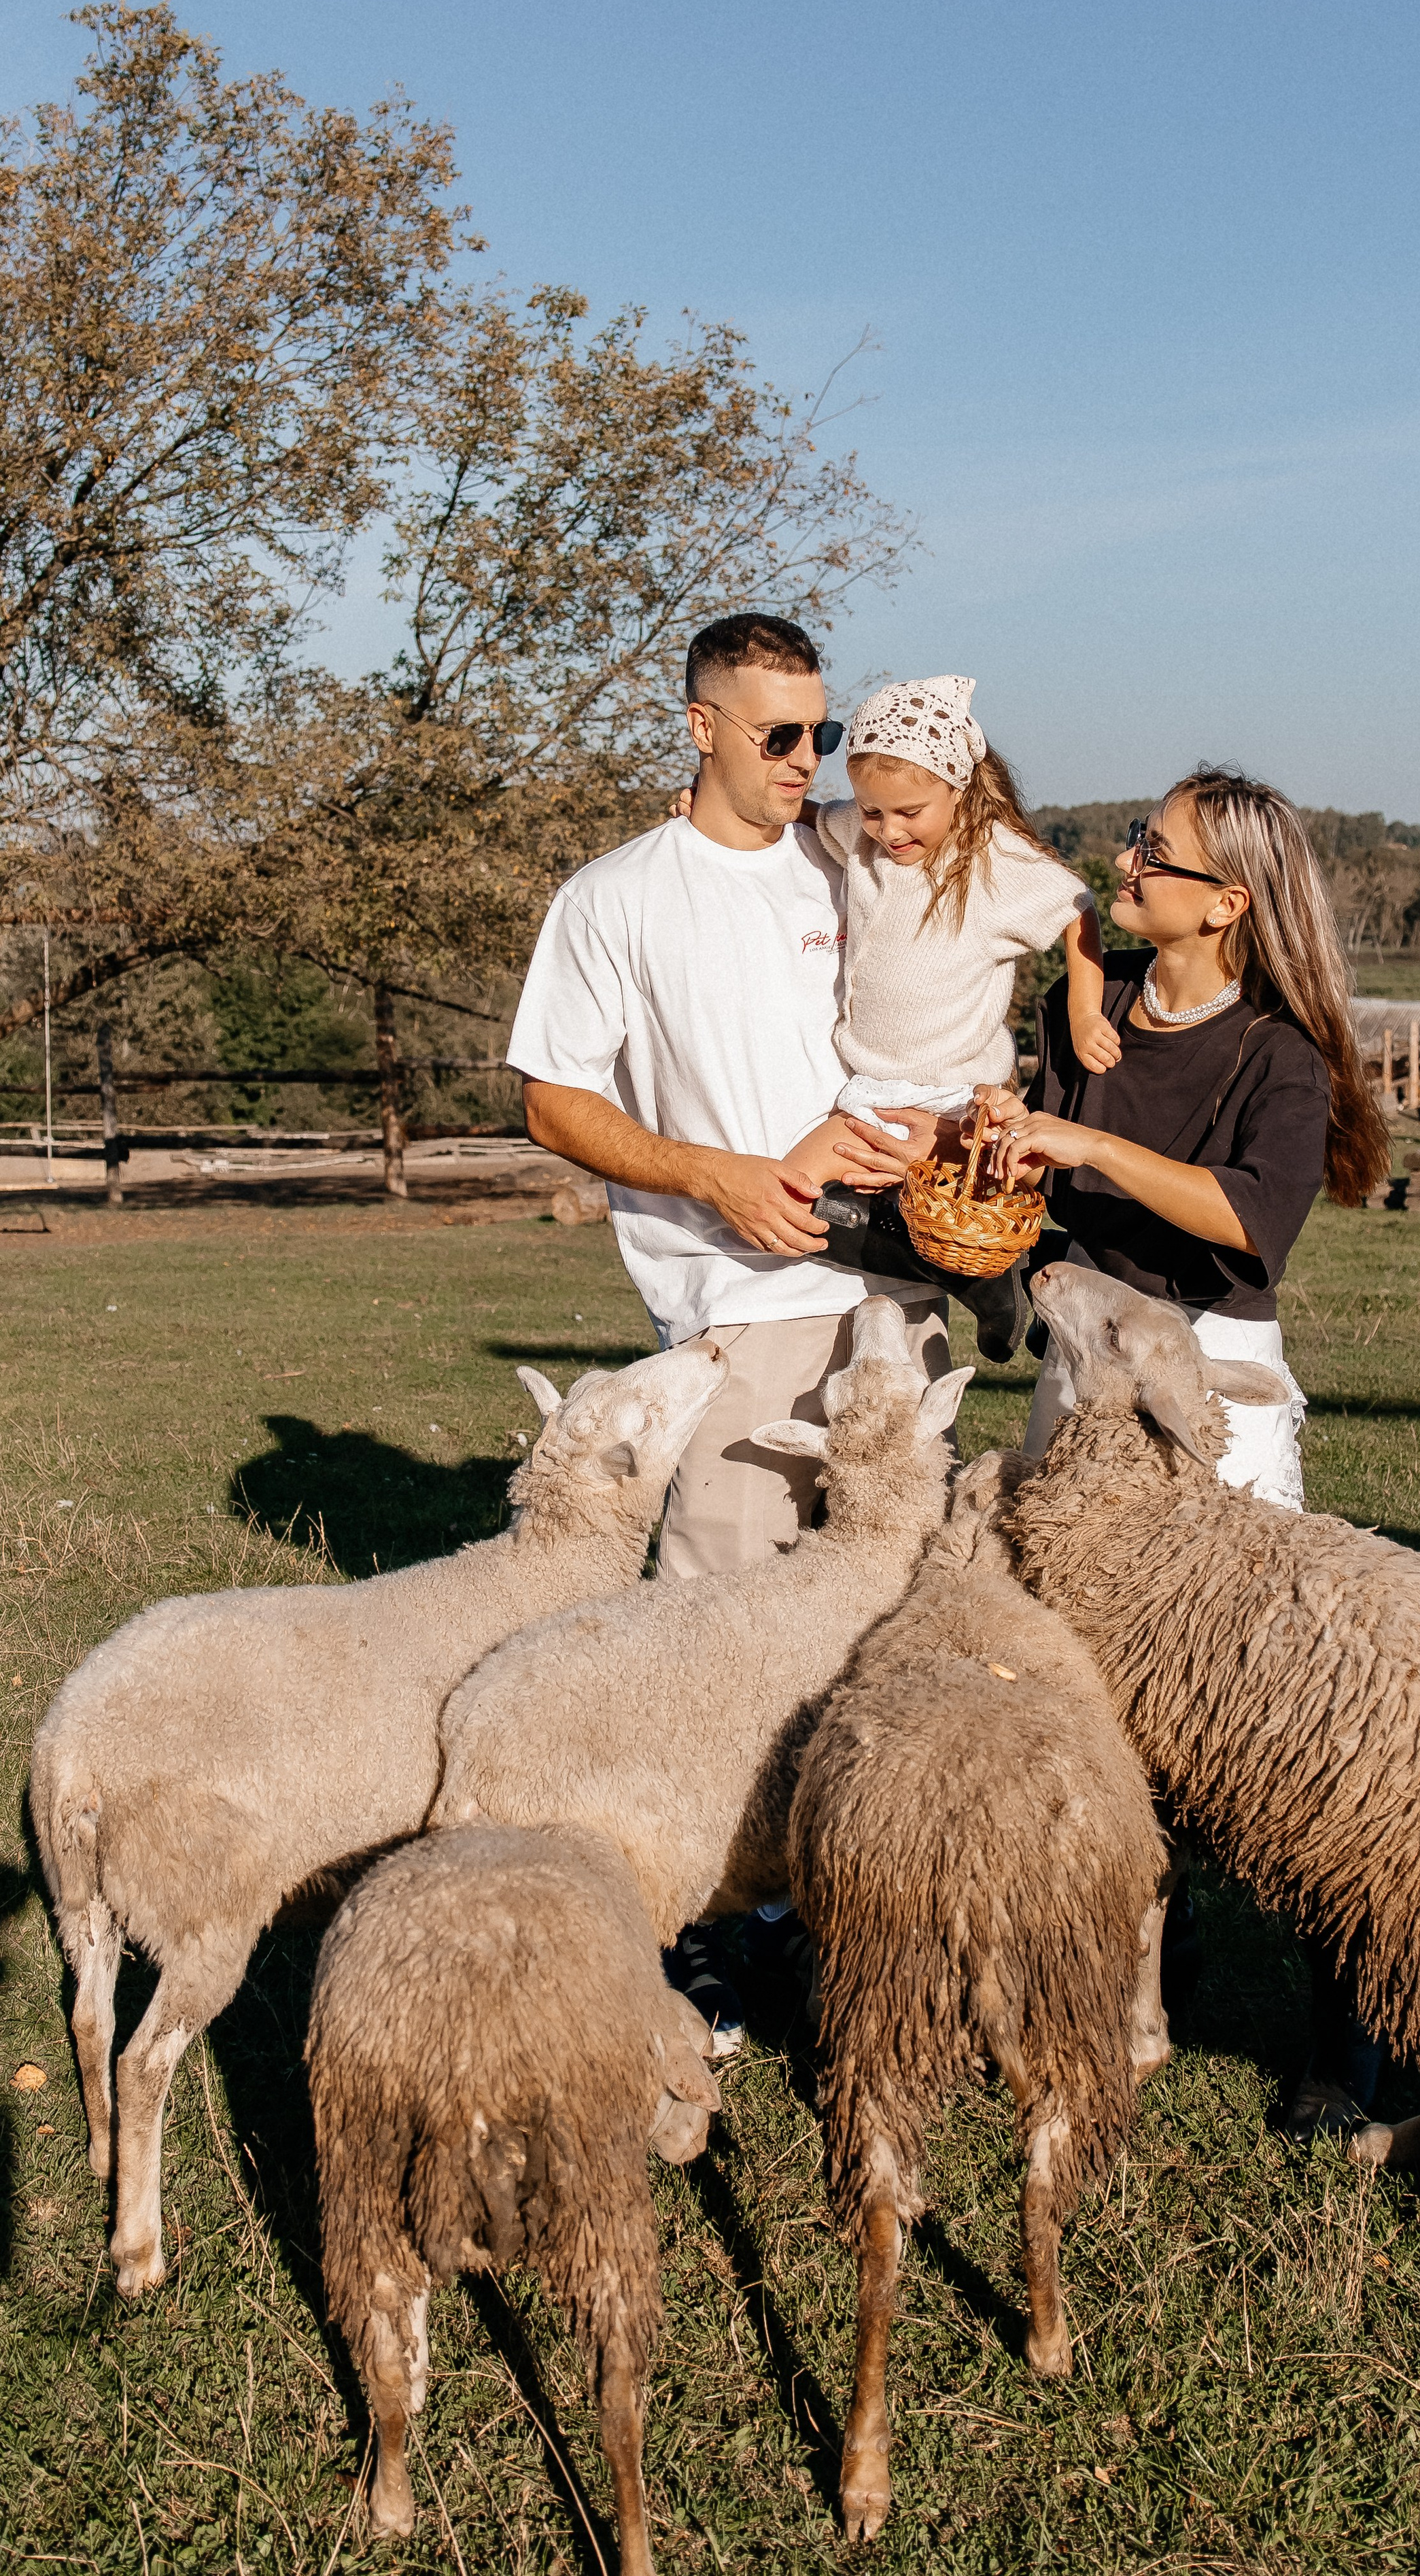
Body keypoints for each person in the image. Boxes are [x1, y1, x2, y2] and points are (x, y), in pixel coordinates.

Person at [508, 611, 952, 2040]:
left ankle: (857, 1912)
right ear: (697, 726)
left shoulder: (853, 856)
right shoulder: (616, 899)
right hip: (737, 1308)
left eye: (819, 734)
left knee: (892, 1623)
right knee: (720, 1648)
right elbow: (553, 1100)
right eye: (778, 736)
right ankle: (707, 1927)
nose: (805, 762)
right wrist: (712, 1174)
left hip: (896, 1303)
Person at [985, 763, 1392, 2118]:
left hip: (1213, 1389)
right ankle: (1125, 1972)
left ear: (1225, 904)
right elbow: (1048, 1201)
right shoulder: (1077, 1011)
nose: (1126, 864)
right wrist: (1004, 1180)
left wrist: (1072, 1145)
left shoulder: (1278, 1055)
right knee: (1085, 1703)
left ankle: (1345, 2027)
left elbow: (1250, 1221)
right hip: (1079, 1384)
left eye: (1151, 855)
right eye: (1131, 844)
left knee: (1255, 1713)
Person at [785, 673, 1113, 1360]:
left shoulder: (993, 862)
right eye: (872, 812)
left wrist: (1085, 1013)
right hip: (872, 1087)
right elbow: (818, 816)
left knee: (808, 1203)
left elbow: (1076, 907)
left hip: (958, 1095)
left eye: (907, 812)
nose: (887, 831)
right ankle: (985, 1279)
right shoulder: (867, 836)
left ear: (959, 789)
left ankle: (989, 1273)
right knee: (799, 1201)